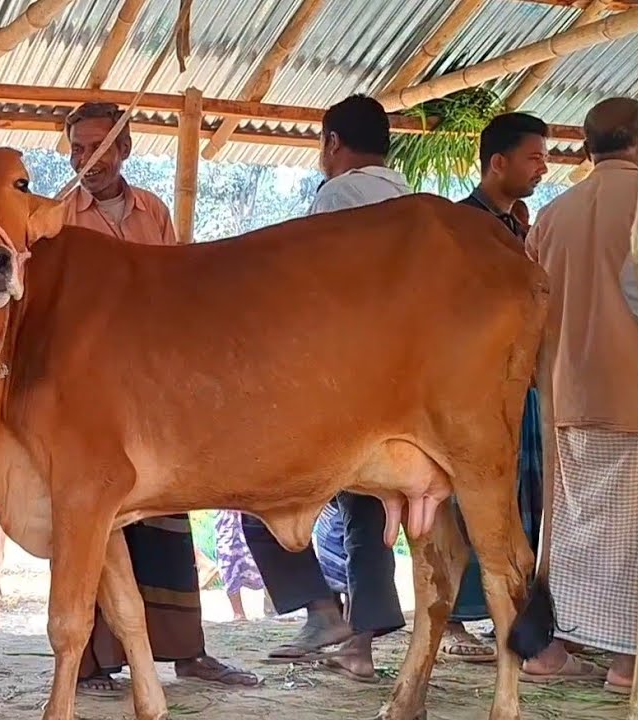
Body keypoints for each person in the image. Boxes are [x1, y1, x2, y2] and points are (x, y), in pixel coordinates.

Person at [59, 101, 257, 696]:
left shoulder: (154, 211)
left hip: (152, 388)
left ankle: (186, 652)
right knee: (90, 518)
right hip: (85, 391)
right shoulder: (57, 217)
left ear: (123, 150)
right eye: (76, 148)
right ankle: (92, 662)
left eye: (97, 146)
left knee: (169, 513)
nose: (85, 159)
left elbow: (176, 287)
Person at [242, 94, 410, 683]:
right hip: (394, 384)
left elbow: (309, 292)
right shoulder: (411, 201)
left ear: (332, 143)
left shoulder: (337, 196)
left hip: (333, 380)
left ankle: (317, 608)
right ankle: (359, 649)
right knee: (370, 518)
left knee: (255, 494)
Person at [521, 97, 638, 695]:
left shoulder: (552, 214)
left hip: (565, 395)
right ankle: (629, 663)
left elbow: (529, 305)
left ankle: (550, 648)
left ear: (588, 145)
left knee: (568, 529)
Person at [444, 112, 550, 662]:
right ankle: (456, 620)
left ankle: (507, 610)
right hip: (471, 388)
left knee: (519, 496)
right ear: (498, 162)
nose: (543, 167)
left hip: (519, 382)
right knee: (471, 498)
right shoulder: (461, 226)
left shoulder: (521, 227)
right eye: (533, 157)